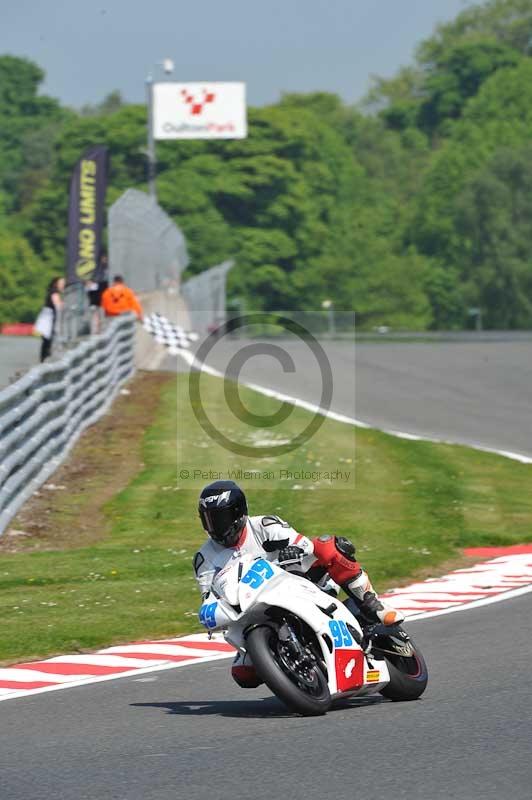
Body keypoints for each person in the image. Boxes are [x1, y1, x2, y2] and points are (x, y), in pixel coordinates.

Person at [193, 480, 404, 688]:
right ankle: (297, 671)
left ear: (239, 512)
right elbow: (209, 595)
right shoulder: (204, 557)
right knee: (244, 674)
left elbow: (304, 546)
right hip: (254, 609)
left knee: (328, 546)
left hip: (300, 582)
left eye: (221, 519)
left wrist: (293, 551)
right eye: (209, 520)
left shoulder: (265, 526)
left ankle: (370, 603)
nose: (216, 527)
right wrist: (208, 611)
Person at [37, 276, 65, 362]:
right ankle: (44, 358)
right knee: (47, 339)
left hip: (47, 317)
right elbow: (58, 305)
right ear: (56, 284)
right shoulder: (54, 293)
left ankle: (44, 358)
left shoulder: (52, 292)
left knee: (47, 339)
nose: (63, 285)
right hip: (49, 318)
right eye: (61, 284)